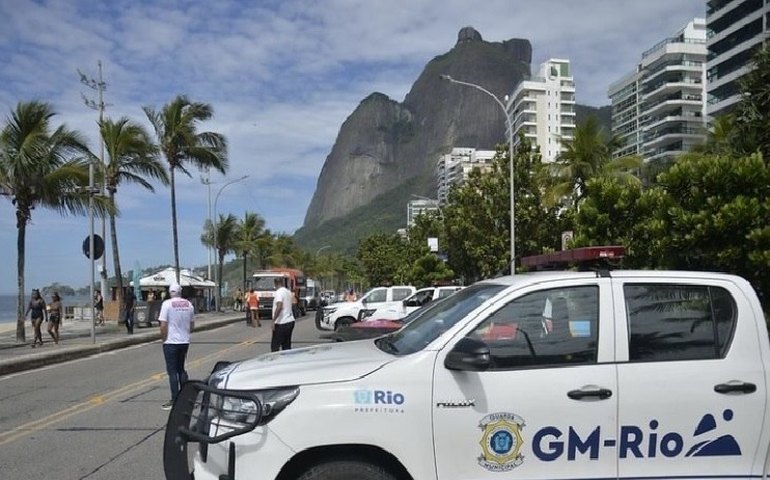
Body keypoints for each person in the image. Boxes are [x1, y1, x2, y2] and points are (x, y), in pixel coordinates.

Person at [158, 282, 194, 410]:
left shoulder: (166, 304)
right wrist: (185, 333)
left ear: (170, 292)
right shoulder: (188, 304)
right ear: (180, 292)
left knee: (172, 372)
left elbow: (163, 325)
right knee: (182, 369)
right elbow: (192, 324)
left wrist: (164, 339)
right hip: (184, 341)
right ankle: (186, 397)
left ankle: (175, 399)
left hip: (171, 342)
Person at [270, 277, 295, 352]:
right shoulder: (288, 292)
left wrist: (273, 320)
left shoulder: (279, 292)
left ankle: (275, 362)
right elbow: (293, 303)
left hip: (281, 322)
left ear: (275, 284)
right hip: (290, 321)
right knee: (286, 345)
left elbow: (279, 305)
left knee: (275, 346)